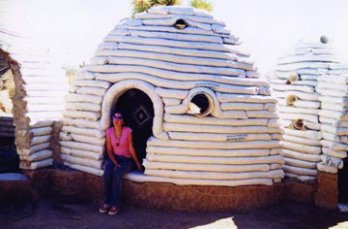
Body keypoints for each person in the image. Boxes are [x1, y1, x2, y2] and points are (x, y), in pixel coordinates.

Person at [99, 110, 142, 215]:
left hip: (126, 160)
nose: (116, 120)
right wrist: (114, 162)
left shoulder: (128, 131)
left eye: (119, 118)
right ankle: (106, 202)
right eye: (115, 117)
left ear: (123, 121)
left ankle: (115, 204)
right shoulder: (109, 132)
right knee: (107, 172)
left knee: (117, 173)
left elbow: (131, 148)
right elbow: (109, 150)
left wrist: (137, 163)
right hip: (113, 158)